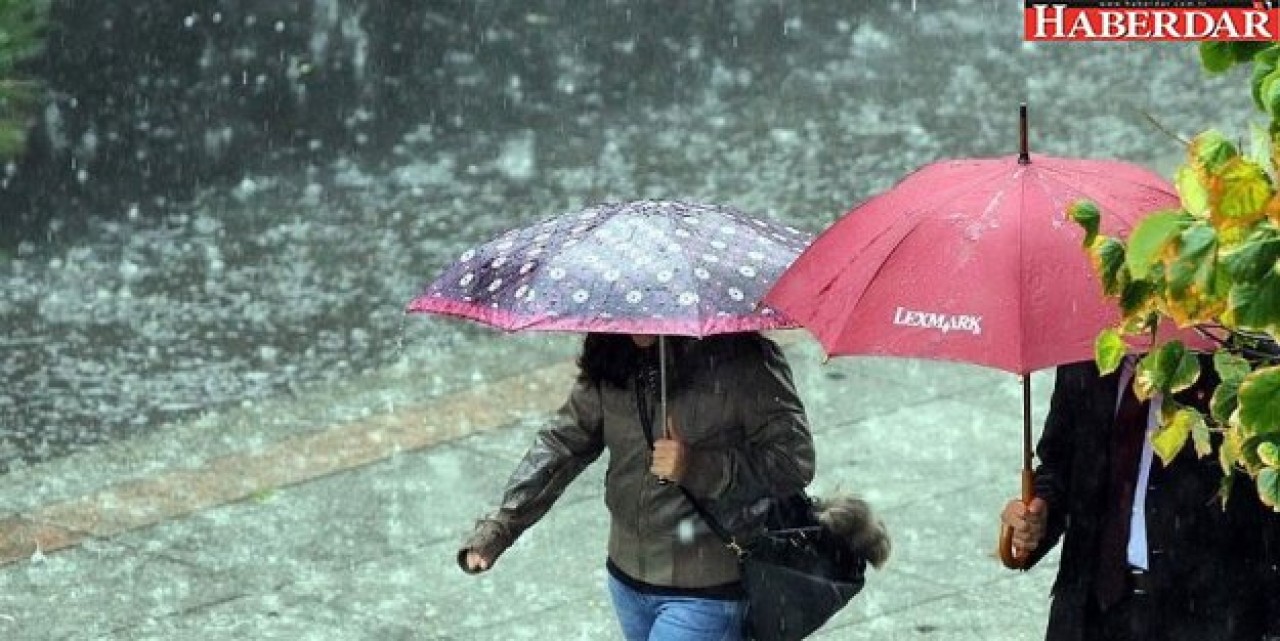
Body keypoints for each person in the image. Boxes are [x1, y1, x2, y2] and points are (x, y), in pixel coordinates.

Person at [456, 331, 888, 641]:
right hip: (626, 577)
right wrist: (500, 528)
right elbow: (561, 447)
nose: (634, 324)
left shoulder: (746, 362)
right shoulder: (611, 359)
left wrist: (698, 468)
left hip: (707, 587)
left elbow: (793, 462)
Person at [1000, 353, 1280, 641]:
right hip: (1091, 610)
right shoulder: (1085, 359)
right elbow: (1059, 466)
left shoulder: (1229, 367)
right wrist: (1037, 515)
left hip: (1199, 614)